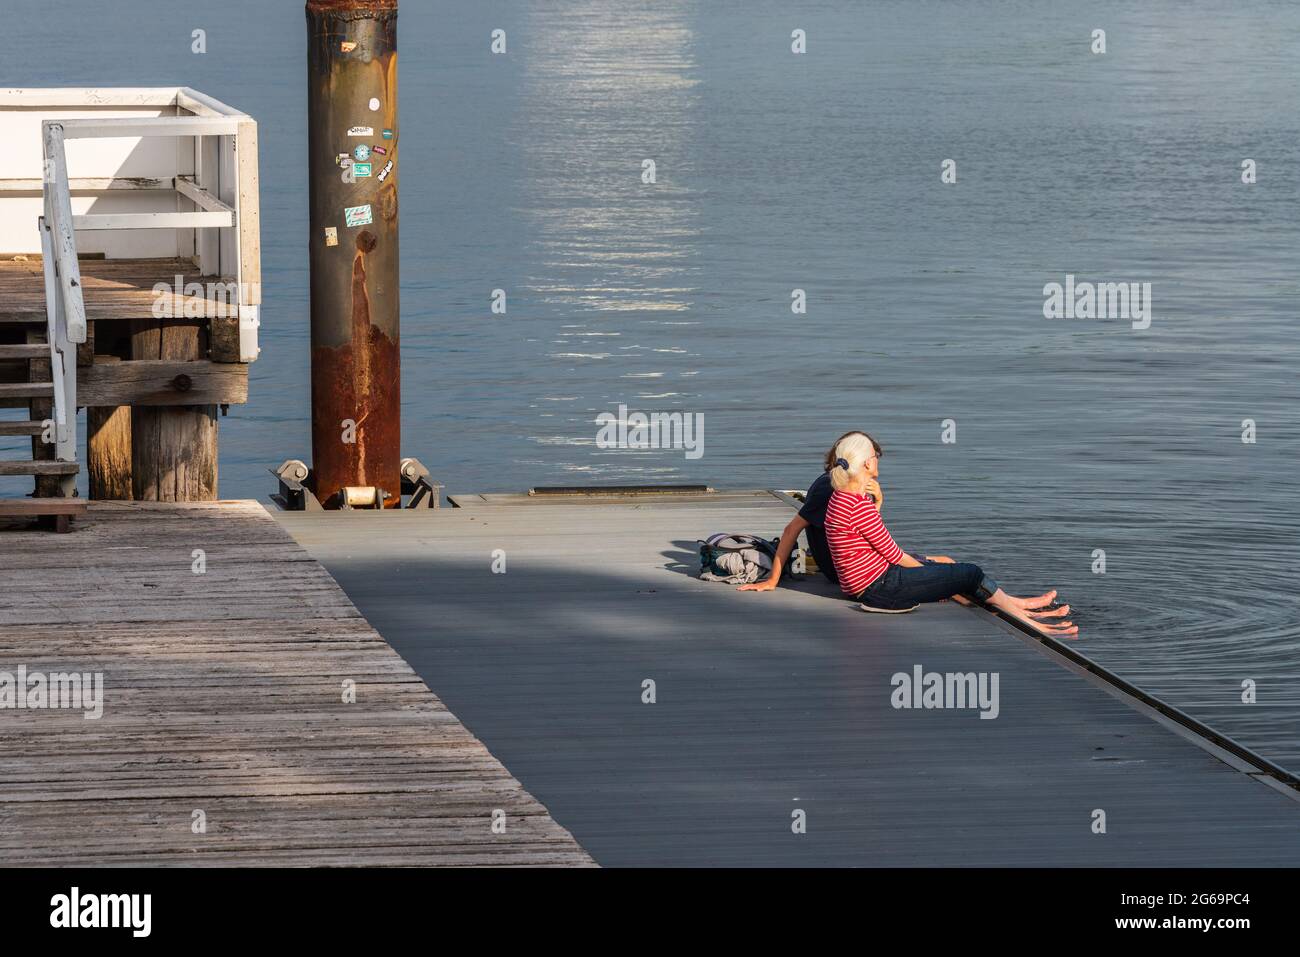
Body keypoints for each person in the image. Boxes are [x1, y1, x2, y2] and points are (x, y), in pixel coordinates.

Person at [821, 432, 1076, 636]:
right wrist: (926, 568)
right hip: (880, 587)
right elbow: (895, 555)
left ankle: (1022, 610)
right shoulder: (858, 505)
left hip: (867, 583)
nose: (878, 460)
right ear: (867, 463)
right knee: (970, 573)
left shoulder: (841, 498)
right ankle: (1034, 623)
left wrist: (878, 504)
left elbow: (865, 539)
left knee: (952, 572)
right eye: (876, 456)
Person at [738, 430, 887, 595]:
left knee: (915, 561)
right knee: (915, 566)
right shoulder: (828, 487)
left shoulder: (844, 485)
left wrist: (878, 500)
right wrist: (772, 580)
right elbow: (792, 529)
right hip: (843, 571)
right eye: (873, 456)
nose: (874, 462)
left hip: (851, 568)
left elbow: (868, 532)